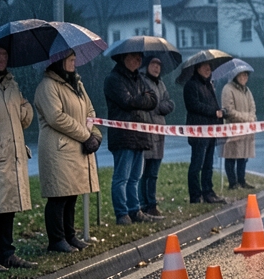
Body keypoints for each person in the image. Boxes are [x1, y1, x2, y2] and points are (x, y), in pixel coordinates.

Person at [34, 52, 100, 253]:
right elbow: (56, 118)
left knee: (72, 194)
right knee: (58, 195)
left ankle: (70, 236)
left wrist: (95, 134)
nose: (74, 63)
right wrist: (86, 135)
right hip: (58, 149)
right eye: (70, 60)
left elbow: (90, 112)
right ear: (59, 62)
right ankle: (56, 239)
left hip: (74, 148)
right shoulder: (47, 86)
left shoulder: (77, 84)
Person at [0, 44, 38, 271]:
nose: (2, 58)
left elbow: (25, 114)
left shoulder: (11, 84)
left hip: (12, 156)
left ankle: (7, 253)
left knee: (8, 207)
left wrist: (23, 110)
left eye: (5, 54)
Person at [104, 51, 157, 224]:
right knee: (122, 178)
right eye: (134, 56)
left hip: (139, 135)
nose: (139, 60)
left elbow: (153, 100)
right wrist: (142, 98)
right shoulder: (113, 79)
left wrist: (140, 99)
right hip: (123, 135)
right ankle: (122, 213)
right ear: (123, 57)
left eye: (140, 57)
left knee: (135, 177)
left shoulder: (139, 79)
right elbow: (127, 101)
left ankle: (135, 210)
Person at [184, 61, 225, 204]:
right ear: (197, 68)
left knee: (208, 164)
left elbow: (214, 105)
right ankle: (195, 195)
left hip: (211, 130)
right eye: (205, 66)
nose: (208, 69)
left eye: (210, 67)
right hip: (198, 131)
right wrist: (214, 112)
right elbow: (194, 105)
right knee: (197, 164)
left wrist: (220, 114)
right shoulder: (191, 85)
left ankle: (208, 192)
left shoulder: (209, 85)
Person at [140, 56, 175, 219]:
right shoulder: (142, 81)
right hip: (146, 130)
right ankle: (144, 204)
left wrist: (161, 106)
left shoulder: (161, 84)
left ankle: (152, 204)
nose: (156, 67)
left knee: (154, 172)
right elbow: (147, 103)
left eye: (159, 65)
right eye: (153, 64)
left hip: (159, 130)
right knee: (144, 171)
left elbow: (168, 103)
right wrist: (158, 106)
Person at [220, 67, 256, 189]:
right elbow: (229, 111)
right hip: (233, 129)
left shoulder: (247, 90)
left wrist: (251, 117)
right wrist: (247, 117)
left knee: (243, 156)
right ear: (236, 76)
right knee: (231, 156)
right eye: (242, 75)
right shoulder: (228, 89)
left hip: (246, 130)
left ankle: (242, 180)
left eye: (246, 75)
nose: (244, 77)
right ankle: (232, 183)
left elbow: (253, 107)